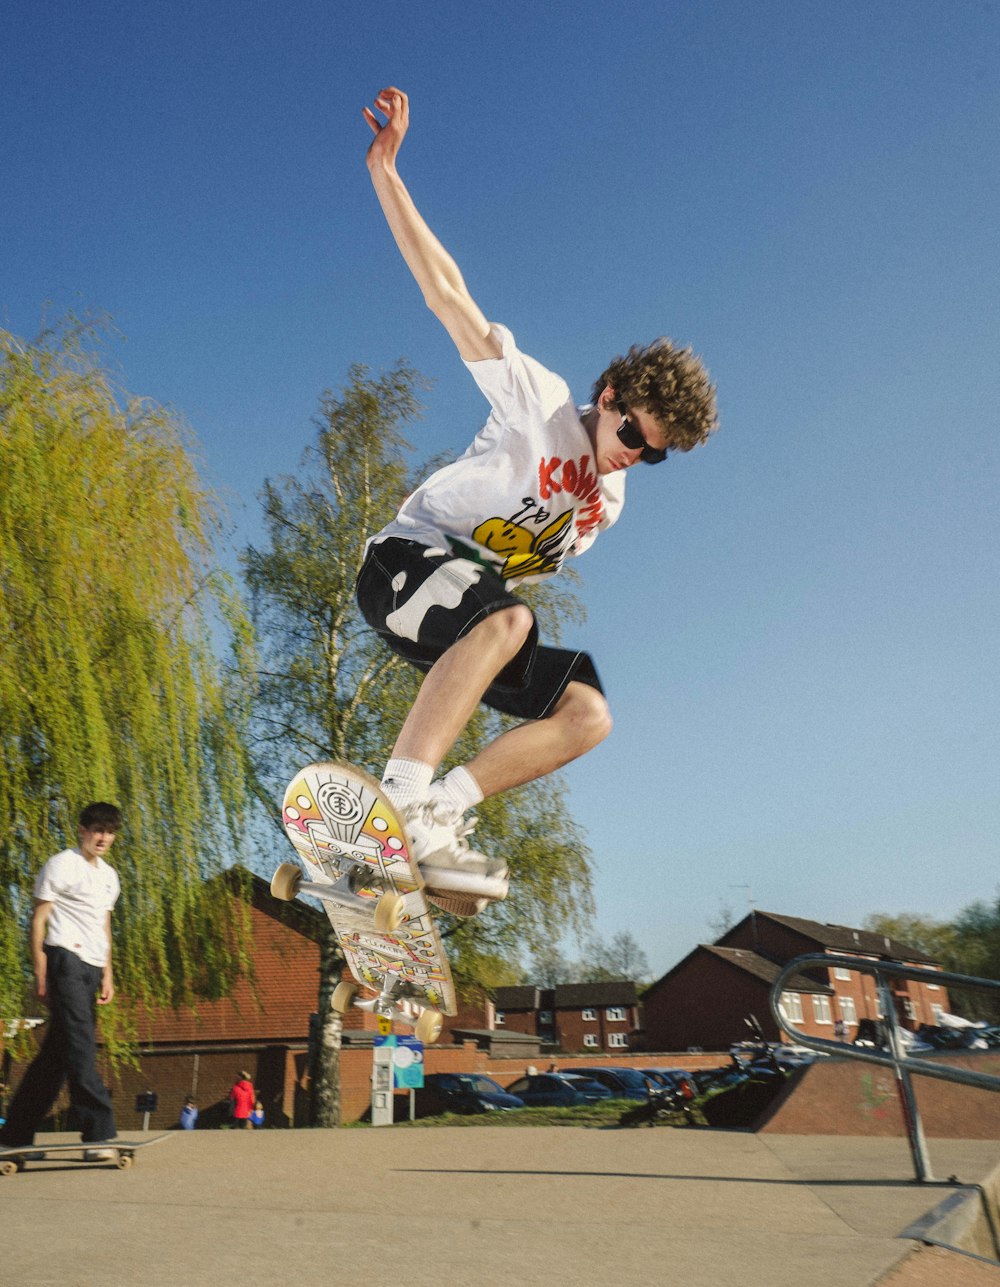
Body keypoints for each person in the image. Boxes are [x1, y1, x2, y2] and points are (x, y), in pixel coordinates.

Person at [357, 88, 718, 917]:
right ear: (610, 392)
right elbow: (448, 296)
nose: (635, 452)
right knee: (511, 617)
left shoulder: (608, 508)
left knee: (589, 715)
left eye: (654, 453)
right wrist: (388, 173)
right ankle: (402, 803)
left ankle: (441, 810)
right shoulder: (541, 401)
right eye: (634, 429)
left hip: (461, 621)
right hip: (401, 567)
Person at [0, 803, 122, 1159]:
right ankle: (99, 1135)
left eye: (109, 831)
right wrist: (41, 974)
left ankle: (15, 1136)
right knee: (81, 1046)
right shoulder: (60, 864)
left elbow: (104, 926)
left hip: (92, 966)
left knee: (56, 1055)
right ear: (82, 830)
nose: (103, 837)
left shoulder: (109, 876)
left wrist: (108, 972)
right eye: (97, 830)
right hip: (64, 960)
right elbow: (38, 921)